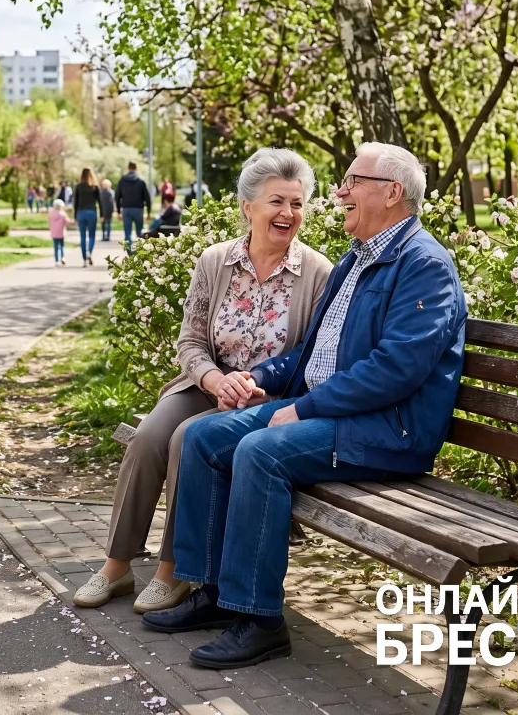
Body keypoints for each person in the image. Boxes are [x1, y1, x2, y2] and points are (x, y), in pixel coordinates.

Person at [146, 143, 467, 672]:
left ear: (392, 193)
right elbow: (312, 352)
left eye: (352, 181)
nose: (339, 192)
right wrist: (260, 377)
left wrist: (305, 407)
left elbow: (396, 369)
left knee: (260, 451)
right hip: (336, 413)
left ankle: (260, 621)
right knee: (204, 437)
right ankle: (215, 591)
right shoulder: (358, 258)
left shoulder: (424, 265)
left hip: (387, 430)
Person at [73, 149, 331, 612]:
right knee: (149, 437)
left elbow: (309, 356)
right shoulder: (215, 261)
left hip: (265, 399)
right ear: (248, 207)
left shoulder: (318, 273)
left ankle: (173, 570)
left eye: (297, 203)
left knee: (185, 441)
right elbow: (190, 341)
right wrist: (214, 380)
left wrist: (251, 386)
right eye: (276, 201)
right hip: (205, 385)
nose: (288, 213)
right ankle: (116, 565)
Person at [115, 161, 151, 254]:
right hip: (138, 209)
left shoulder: (122, 180)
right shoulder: (141, 181)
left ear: (128, 168)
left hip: (126, 209)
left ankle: (130, 254)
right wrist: (148, 212)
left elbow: (117, 196)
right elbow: (147, 198)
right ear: (136, 168)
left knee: (128, 233)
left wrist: (118, 211)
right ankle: (139, 252)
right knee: (139, 232)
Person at [72, 167, 101, 266]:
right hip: (92, 212)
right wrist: (102, 215)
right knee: (92, 235)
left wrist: (75, 216)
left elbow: (75, 203)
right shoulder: (95, 187)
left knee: (82, 236)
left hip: (81, 212)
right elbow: (100, 202)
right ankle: (90, 252)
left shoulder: (78, 187)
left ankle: (84, 259)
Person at [48, 199, 74, 266]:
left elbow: (49, 223)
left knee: (56, 247)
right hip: (61, 233)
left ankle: (56, 261)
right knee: (62, 246)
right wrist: (74, 222)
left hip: (54, 233)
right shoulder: (63, 214)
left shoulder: (51, 214)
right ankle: (62, 257)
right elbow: (67, 222)